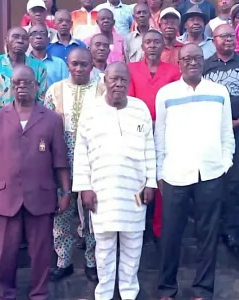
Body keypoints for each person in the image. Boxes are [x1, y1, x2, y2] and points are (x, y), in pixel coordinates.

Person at [0, 65, 71, 300]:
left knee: (41, 252)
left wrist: (65, 191)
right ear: (11, 87)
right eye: (17, 83)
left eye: (26, 83)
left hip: (41, 195)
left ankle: (39, 294)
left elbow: (60, 159)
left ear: (36, 86)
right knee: (5, 253)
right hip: (5, 196)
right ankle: (6, 294)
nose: (22, 86)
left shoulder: (51, 119)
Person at [155, 43, 235, 300]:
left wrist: (225, 163)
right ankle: (167, 289)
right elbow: (159, 137)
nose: (192, 62)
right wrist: (159, 172)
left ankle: (202, 290)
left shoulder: (219, 92)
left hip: (211, 174)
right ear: (178, 63)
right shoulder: (166, 93)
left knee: (208, 236)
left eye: (197, 58)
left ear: (204, 61)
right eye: (186, 58)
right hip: (175, 173)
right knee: (170, 236)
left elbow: (227, 133)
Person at [72, 62, 156, 300]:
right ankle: (105, 293)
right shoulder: (91, 111)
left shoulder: (140, 109)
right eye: (114, 79)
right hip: (102, 191)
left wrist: (151, 182)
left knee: (133, 245)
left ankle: (129, 293)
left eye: (123, 80)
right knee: (105, 247)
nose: (118, 84)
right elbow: (81, 151)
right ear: (104, 81)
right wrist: (84, 188)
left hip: (135, 192)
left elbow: (149, 147)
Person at [44, 48, 103, 282]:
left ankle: (92, 261)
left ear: (92, 66)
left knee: (92, 211)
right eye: (75, 64)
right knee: (62, 211)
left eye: (84, 65)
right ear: (67, 64)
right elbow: (46, 126)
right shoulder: (55, 90)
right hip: (62, 156)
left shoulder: (102, 89)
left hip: (94, 155)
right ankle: (63, 261)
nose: (79, 69)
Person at [204, 24, 239, 253]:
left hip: (238, 130)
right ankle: (212, 230)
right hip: (210, 133)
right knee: (212, 183)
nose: (227, 39)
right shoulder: (206, 66)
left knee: (235, 182)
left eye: (229, 35)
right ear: (213, 40)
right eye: (222, 36)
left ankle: (232, 231)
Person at [127, 30, 180, 244]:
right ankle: (139, 225)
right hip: (137, 129)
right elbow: (129, 101)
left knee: (160, 177)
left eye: (156, 42)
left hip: (166, 130)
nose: (152, 46)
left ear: (162, 46)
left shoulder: (174, 71)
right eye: (148, 42)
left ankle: (159, 228)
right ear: (142, 45)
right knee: (139, 176)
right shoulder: (130, 69)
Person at [0, 27, 47, 113]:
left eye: (25, 38)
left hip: (30, 120)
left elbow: (42, 100)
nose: (20, 41)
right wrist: (5, 119)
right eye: (15, 37)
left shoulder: (39, 67)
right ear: (6, 40)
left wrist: (27, 119)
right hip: (1, 121)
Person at [29, 23, 69, 88]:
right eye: (34, 33)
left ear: (48, 40)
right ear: (29, 39)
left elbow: (66, 87)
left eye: (43, 34)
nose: (38, 36)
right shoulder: (24, 63)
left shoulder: (59, 63)